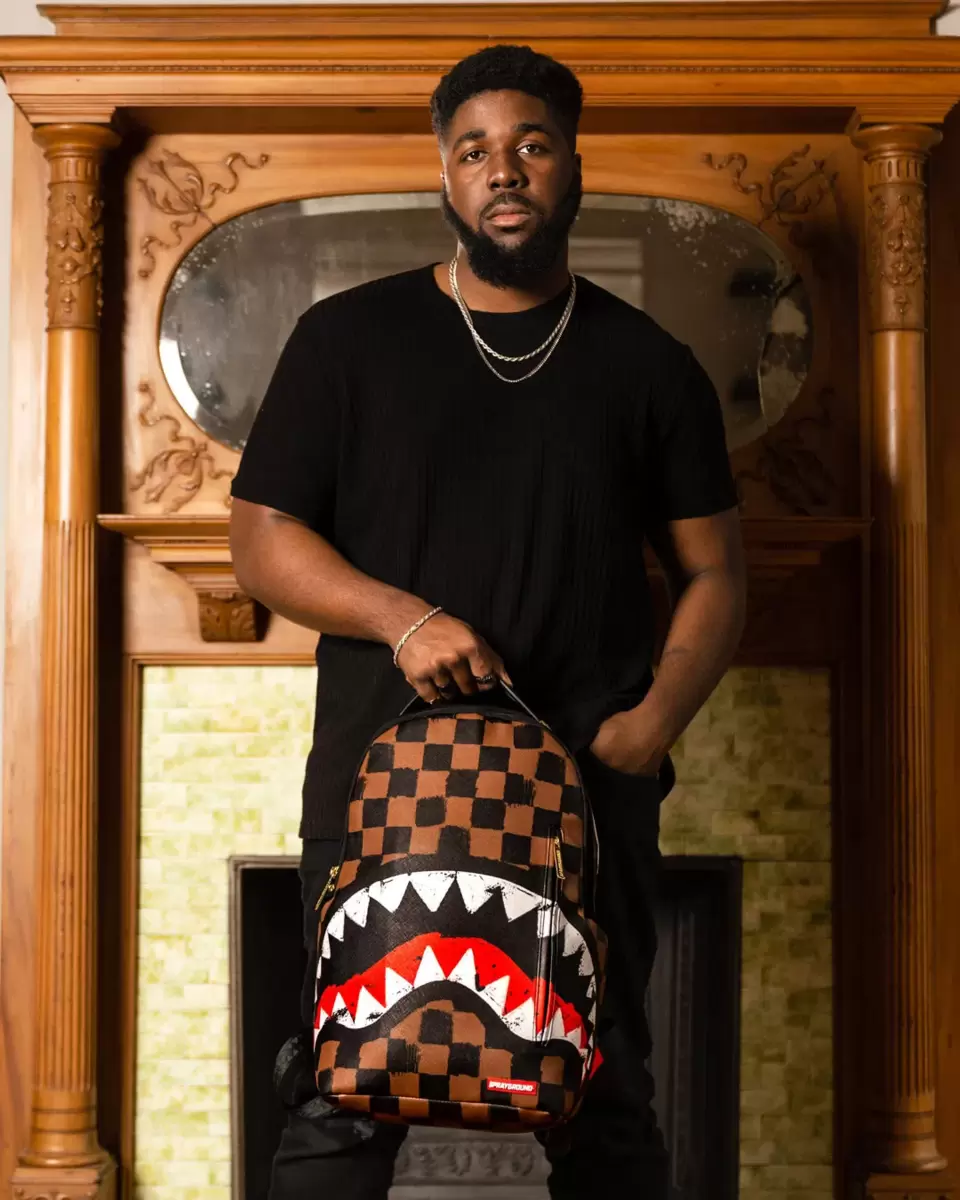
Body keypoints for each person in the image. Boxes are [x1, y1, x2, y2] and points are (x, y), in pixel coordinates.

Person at [229, 42, 746, 1200]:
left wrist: (654, 724)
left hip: (587, 796)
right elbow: (259, 539)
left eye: (531, 145)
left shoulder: (650, 366)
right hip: (382, 791)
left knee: (606, 1102)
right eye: (473, 150)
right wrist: (401, 619)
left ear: (572, 165)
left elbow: (716, 573)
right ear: (446, 176)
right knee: (342, 1102)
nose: (502, 169)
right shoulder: (346, 340)